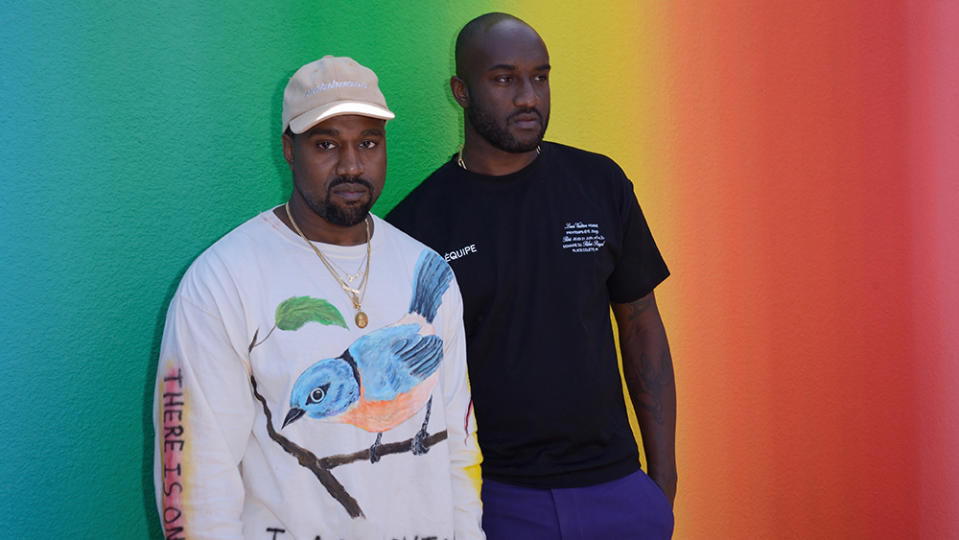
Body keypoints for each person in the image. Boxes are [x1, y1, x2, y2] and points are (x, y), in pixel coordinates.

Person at [153, 55, 484, 540]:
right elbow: (197, 486)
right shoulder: (222, 281)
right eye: (326, 144)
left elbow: (458, 447)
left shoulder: (427, 268)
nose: (351, 165)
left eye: (368, 143)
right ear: (289, 148)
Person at [387, 13, 676, 539]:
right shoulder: (415, 226)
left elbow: (642, 326)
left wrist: (661, 484)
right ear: (461, 91)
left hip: (618, 489)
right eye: (504, 79)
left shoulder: (600, 183)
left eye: (539, 77)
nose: (528, 97)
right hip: (495, 498)